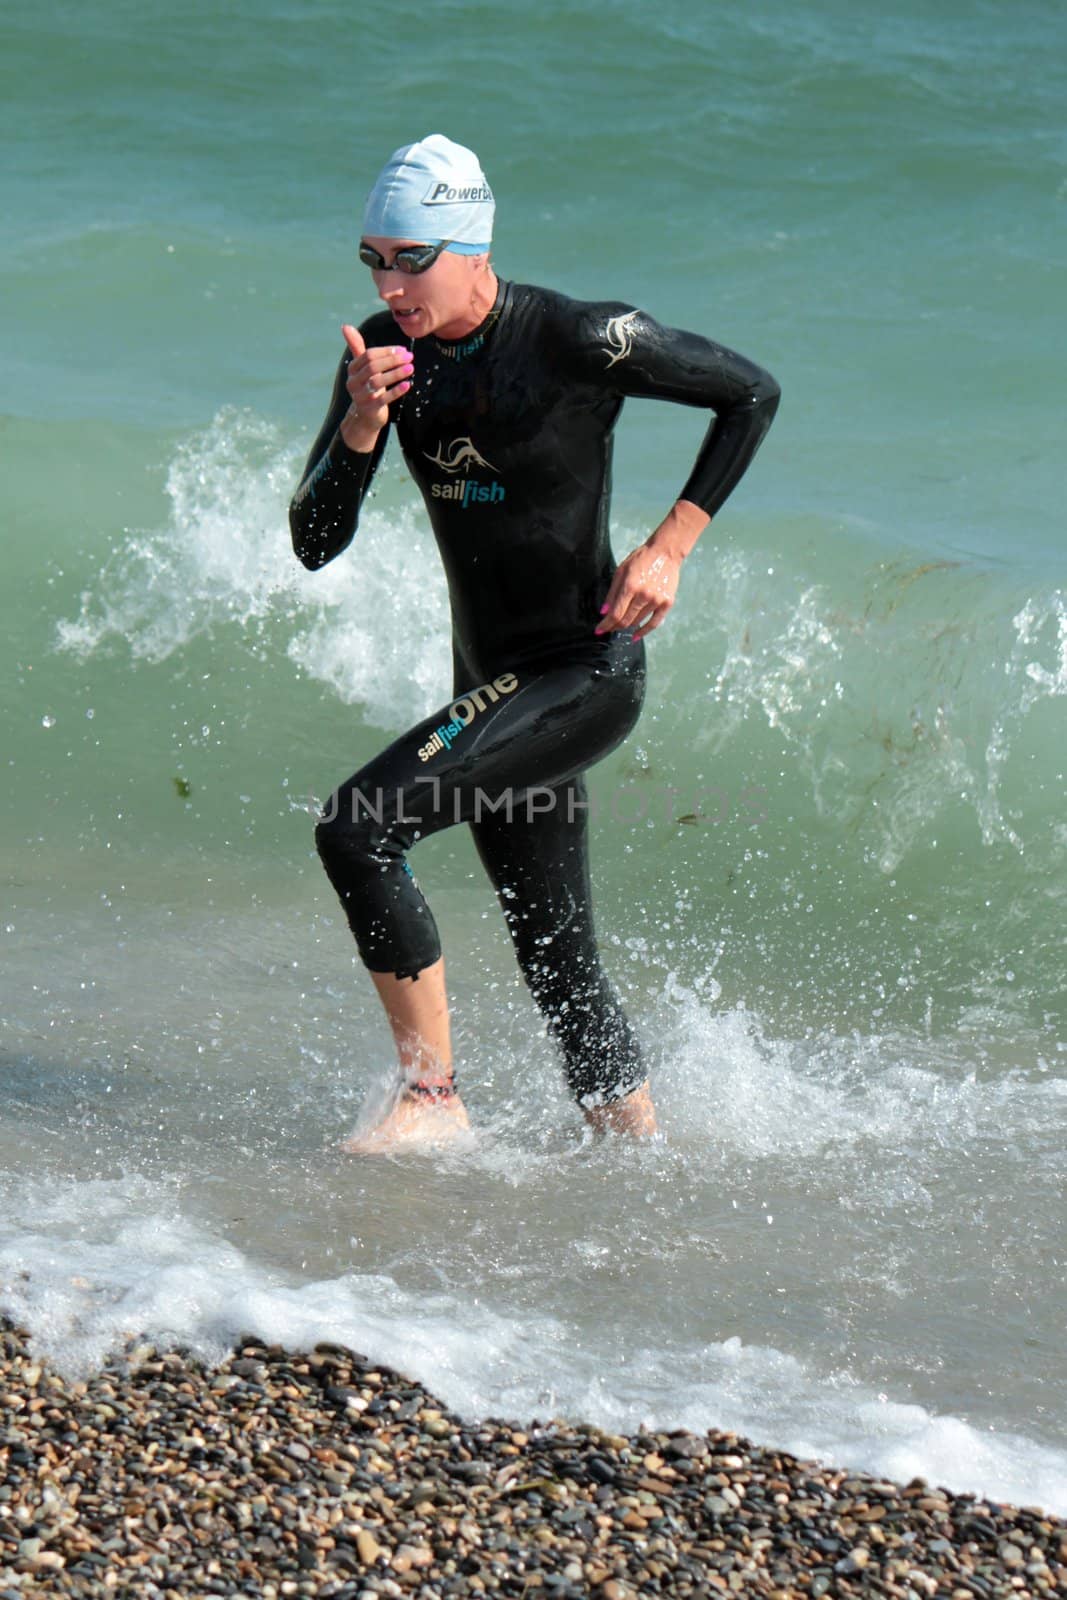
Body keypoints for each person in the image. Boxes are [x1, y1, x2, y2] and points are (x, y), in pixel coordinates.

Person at [289, 135, 779, 1153]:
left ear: (472, 245)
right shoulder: (381, 356)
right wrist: (360, 428)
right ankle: (640, 1164)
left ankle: (430, 1101)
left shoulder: (579, 338)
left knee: (358, 827)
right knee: (557, 959)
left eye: (411, 258)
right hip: (489, 681)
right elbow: (312, 542)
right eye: (373, 258)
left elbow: (749, 393)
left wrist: (670, 543)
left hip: (580, 671)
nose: (391, 282)